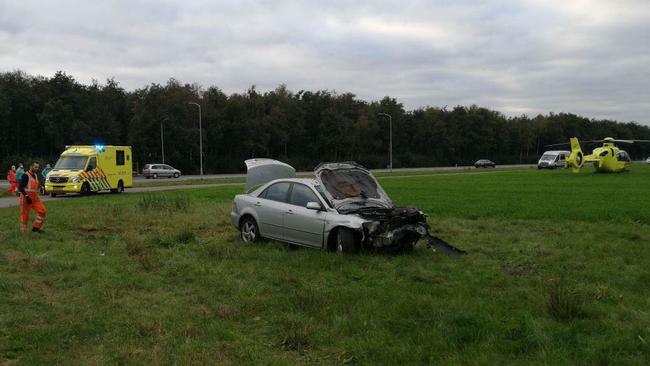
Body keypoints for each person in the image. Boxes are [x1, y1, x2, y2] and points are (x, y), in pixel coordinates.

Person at [18, 161, 47, 234]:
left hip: (35, 198)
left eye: (38, 167)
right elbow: (20, 187)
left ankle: (35, 229)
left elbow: (34, 186)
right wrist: (27, 196)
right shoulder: (25, 175)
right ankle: (24, 232)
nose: (37, 168)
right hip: (26, 198)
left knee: (42, 211)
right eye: (35, 167)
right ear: (31, 166)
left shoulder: (36, 175)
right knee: (25, 215)